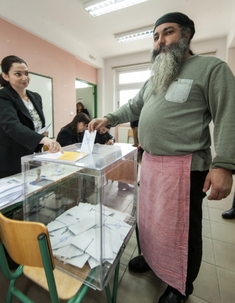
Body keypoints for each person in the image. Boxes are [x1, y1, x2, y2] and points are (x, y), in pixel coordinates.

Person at [88, 12, 235, 303]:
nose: (160, 41)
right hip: (152, 163)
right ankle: (153, 260)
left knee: (182, 230)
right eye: (156, 36)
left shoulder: (211, 67)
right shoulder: (156, 76)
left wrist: (224, 165)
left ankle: (180, 286)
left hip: (185, 167)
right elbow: (134, 106)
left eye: (168, 33)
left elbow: (228, 114)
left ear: (187, 35)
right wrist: (108, 117)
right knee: (151, 220)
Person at [0, 55, 62, 179]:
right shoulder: (3, 97)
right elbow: (12, 126)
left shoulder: (35, 97)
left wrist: (41, 134)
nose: (24, 78)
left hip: (31, 156)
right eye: (18, 74)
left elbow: (32, 122)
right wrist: (43, 139)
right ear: (6, 76)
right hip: (10, 159)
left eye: (26, 73)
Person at [95, 125, 133, 191]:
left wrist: (111, 140)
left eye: (106, 131)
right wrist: (95, 146)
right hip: (96, 158)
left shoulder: (105, 133)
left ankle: (122, 183)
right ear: (100, 126)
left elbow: (112, 137)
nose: (103, 132)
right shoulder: (93, 132)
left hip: (104, 156)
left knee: (121, 163)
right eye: (103, 130)